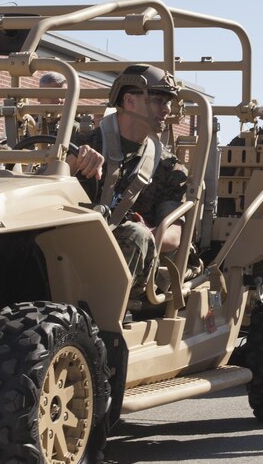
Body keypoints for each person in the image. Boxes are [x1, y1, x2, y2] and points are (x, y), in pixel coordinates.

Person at [76, 65, 188, 298]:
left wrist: (147, 232)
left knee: (136, 235)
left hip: (128, 257)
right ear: (129, 100)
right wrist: (75, 161)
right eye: (158, 100)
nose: (167, 109)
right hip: (75, 242)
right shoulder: (83, 143)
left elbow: (173, 236)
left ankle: (104, 317)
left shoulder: (169, 167)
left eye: (169, 102)